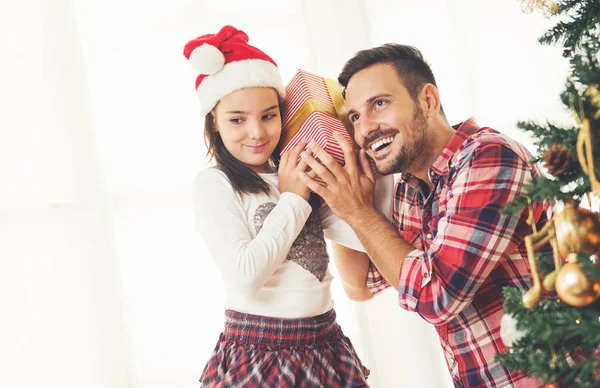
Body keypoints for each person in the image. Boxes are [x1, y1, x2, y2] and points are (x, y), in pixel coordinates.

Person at [298, 44, 546, 388]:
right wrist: (338, 186)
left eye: (379, 104)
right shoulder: (412, 187)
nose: (365, 129)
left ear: (428, 101)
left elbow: (437, 297)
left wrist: (356, 211)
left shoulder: (489, 156)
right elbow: (362, 284)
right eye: (354, 117)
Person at [184, 25, 370, 387]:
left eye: (269, 115)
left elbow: (362, 235)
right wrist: (293, 198)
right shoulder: (216, 183)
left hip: (325, 343)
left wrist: (356, 180)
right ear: (215, 123)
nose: (257, 132)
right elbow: (245, 276)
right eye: (237, 119)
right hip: (261, 350)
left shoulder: (294, 171)